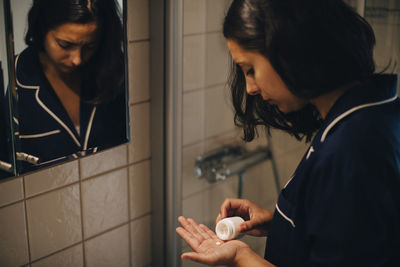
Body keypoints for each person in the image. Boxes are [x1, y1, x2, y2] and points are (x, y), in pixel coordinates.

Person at [176, 0, 400, 266]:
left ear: (290, 50)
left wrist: (241, 256)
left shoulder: (349, 150)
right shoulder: (375, 107)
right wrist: (283, 223)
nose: (250, 88)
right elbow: (353, 235)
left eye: (250, 69)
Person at [13, 0, 127, 171]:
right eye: (65, 45)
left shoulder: (114, 69)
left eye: (90, 46)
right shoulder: (17, 76)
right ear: (42, 28)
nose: (77, 59)